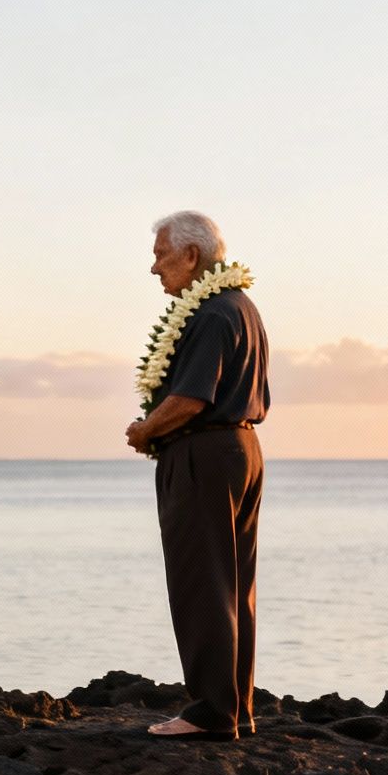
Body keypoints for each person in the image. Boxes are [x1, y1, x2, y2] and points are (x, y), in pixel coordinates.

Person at [124, 211, 270, 740]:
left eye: (162, 254)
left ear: (191, 256)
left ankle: (212, 712)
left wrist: (145, 430)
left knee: (202, 581)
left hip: (205, 454)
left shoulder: (211, 313)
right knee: (233, 583)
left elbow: (190, 397)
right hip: (241, 450)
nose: (154, 267)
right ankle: (237, 708)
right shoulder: (242, 307)